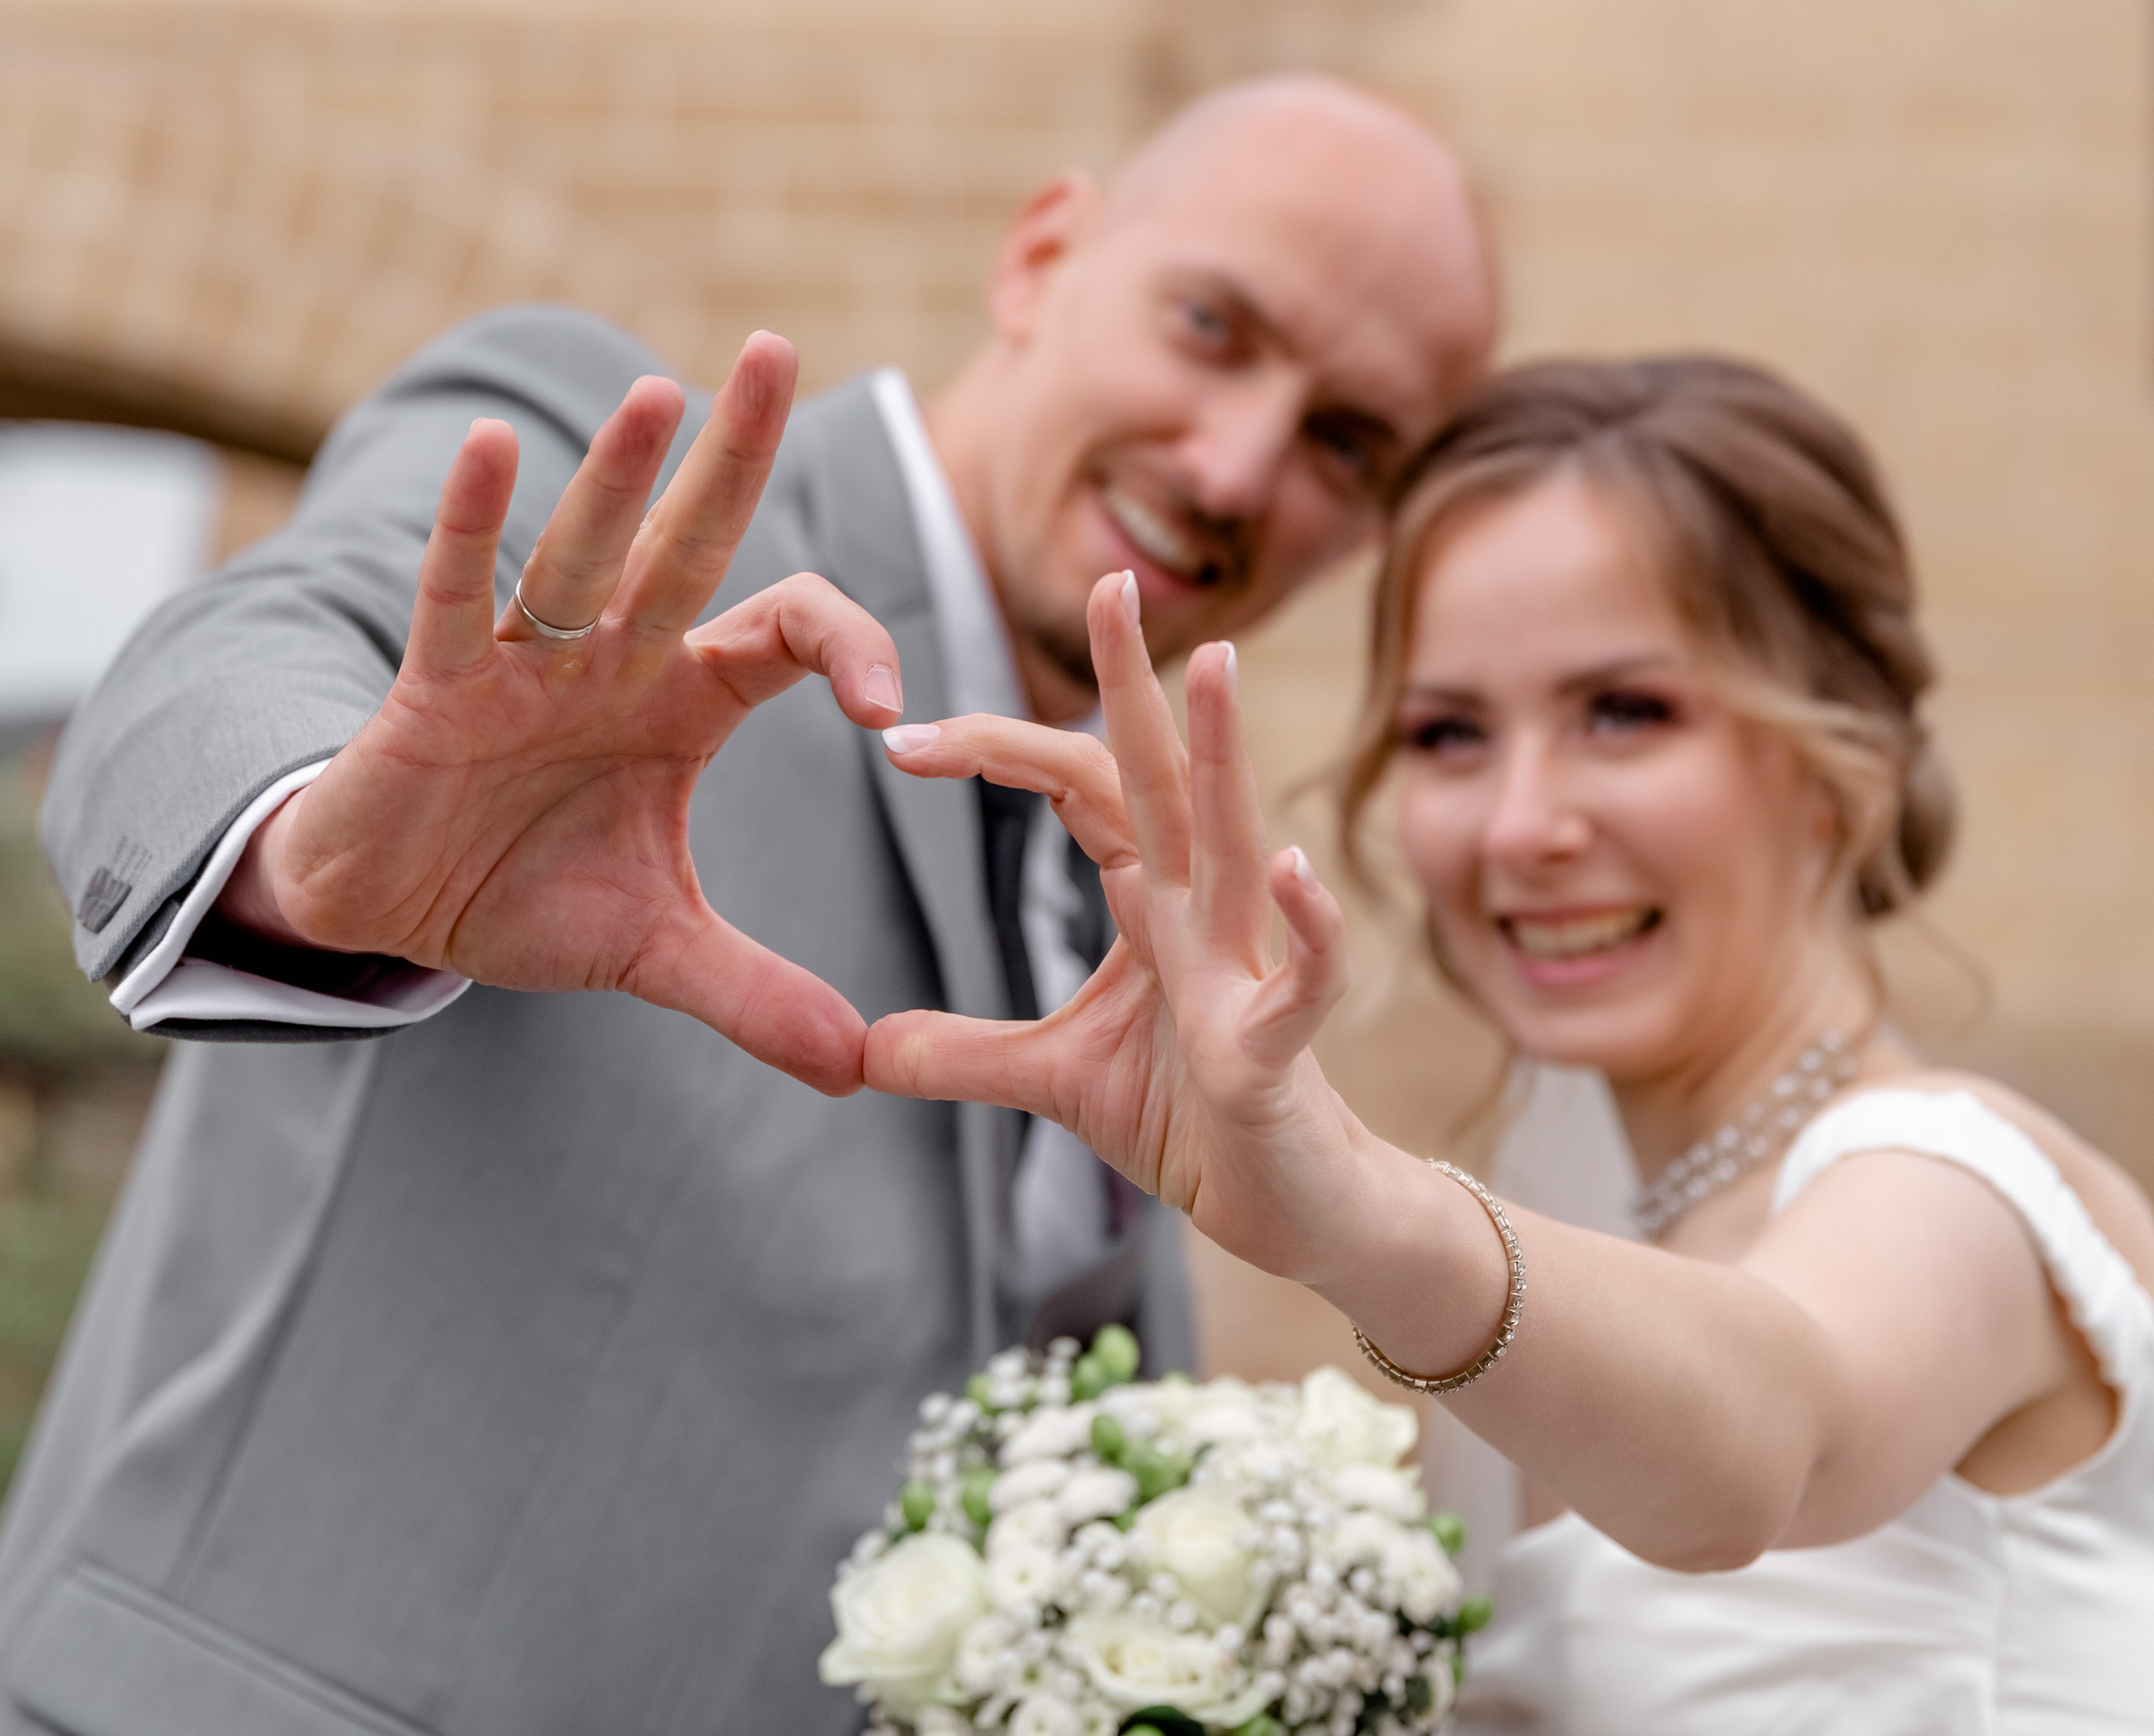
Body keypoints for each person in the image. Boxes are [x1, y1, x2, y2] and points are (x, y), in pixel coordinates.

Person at [5, 77, 1495, 1736]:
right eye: (1210, 326)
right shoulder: (628, 498)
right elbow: (226, 666)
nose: (1235, 465)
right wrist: (307, 848)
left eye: (1344, 441)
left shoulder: (1132, 901)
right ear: (1042, 253)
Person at [867, 356, 2154, 1732]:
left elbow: (1764, 1455)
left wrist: (1357, 1207)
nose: (1521, 826)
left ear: (1851, 757)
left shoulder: (1949, 1184)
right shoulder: (1587, 1215)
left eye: (1625, 712)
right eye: (1450, 732)